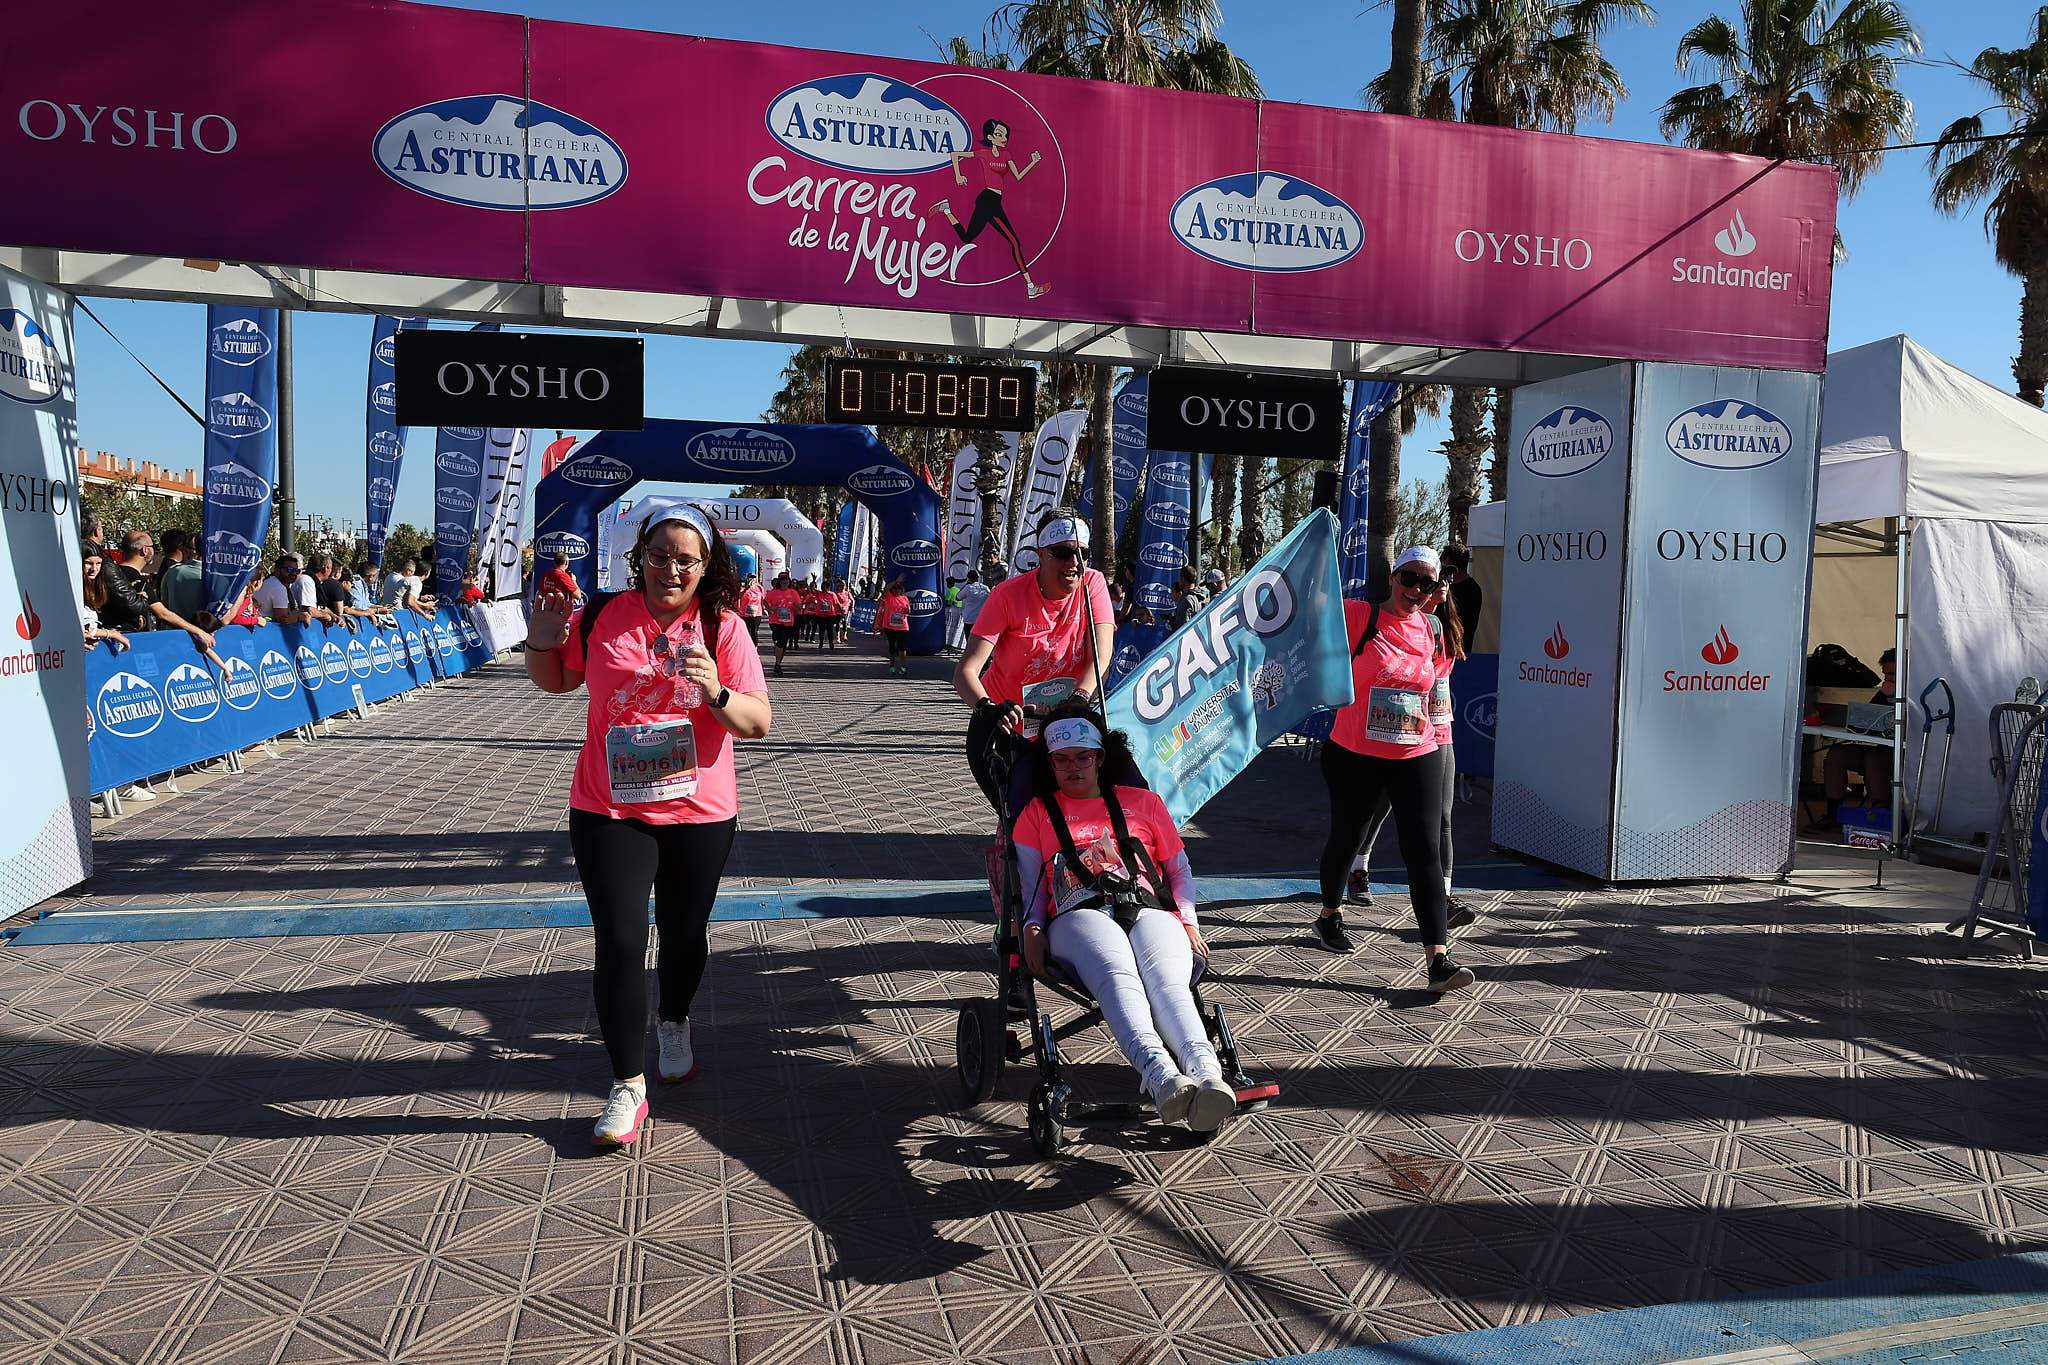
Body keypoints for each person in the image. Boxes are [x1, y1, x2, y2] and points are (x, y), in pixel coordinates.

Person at [523, 502, 772, 1149]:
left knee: (684, 937)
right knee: (622, 939)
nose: (671, 568)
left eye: (686, 558)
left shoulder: (723, 627)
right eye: (660, 555)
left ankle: (675, 1017)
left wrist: (716, 690)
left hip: (698, 811)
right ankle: (627, 1084)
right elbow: (556, 680)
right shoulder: (605, 615)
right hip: (609, 807)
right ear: (641, 557)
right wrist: (543, 638)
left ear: (704, 565)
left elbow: (758, 721)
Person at [1015, 707, 1234, 1131]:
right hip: (1078, 916)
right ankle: (1160, 1076)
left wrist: (1188, 922)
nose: (1072, 768)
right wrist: (1032, 929)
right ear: (1050, 763)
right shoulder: (1036, 814)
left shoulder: (1144, 803)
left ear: (1101, 758)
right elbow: (1029, 887)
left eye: (1083, 757)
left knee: (1168, 981)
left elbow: (1178, 871)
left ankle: (1208, 1075)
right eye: (1061, 759)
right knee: (1118, 972)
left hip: (1146, 907)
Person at [1313, 546, 1473, 995]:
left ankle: (1437, 959)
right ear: (1393, 576)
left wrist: (1442, 746)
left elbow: (1435, 692)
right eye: (1409, 578)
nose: (1416, 590)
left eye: (1427, 583)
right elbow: (1308, 612)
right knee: (1347, 837)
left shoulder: (1435, 629)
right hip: (1354, 753)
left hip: (1414, 754)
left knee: (1424, 852)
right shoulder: (1359, 615)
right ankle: (1328, 915)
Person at [953, 509, 1116, 818]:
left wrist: (1079, 698)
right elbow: (965, 672)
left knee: (1075, 821)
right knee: (1021, 822)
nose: (1074, 563)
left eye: (1082, 553)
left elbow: (1102, 655)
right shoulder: (1007, 595)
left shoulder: (1092, 583)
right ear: (1041, 553)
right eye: (1063, 552)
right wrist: (988, 708)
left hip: (1065, 728)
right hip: (1005, 730)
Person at [1344, 576, 1479, 931]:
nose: (1430, 588)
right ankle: (1357, 869)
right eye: (1418, 580)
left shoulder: (1444, 626)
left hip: (1438, 730)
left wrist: (1438, 608)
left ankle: (1443, 898)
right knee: (1376, 810)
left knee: (1442, 816)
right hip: (1396, 733)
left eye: (1434, 581)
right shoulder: (1398, 623)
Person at [933, 118, 1052, 299]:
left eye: (1005, 135)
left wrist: (1033, 162)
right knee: (1014, 242)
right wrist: (958, 175)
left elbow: (1018, 176)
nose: (1003, 138)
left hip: (993, 201)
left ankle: (946, 209)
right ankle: (1030, 287)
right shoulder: (983, 153)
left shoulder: (1006, 155)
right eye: (998, 134)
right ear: (990, 137)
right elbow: (955, 155)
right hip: (988, 200)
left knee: (966, 238)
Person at [1819, 648, 1897, 829]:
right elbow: (1869, 717)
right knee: (1837, 754)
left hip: (1908, 757)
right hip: (1884, 749)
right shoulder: (1886, 690)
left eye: (1892, 674)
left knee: (1873, 759)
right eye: (1885, 674)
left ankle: (1879, 816)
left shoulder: (1920, 691)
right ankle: (1834, 814)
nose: (1888, 679)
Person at [105, 530, 216, 652]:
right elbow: (163, 614)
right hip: (126, 645)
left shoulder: (111, 574)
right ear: (145, 550)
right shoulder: (138, 580)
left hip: (110, 643)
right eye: (154, 547)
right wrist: (199, 631)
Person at [79, 545, 132, 653]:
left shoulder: (96, 588)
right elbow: (82, 629)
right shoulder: (73, 589)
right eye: (88, 563)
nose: (94, 569)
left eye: (98, 563)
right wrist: (112, 634)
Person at [255, 552, 326, 626]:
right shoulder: (278, 587)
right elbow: (283, 619)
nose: (293, 573)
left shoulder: (276, 582)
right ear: (277, 570)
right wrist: (300, 616)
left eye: (296, 571)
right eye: (289, 569)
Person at [155, 528, 205, 626]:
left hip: (174, 632)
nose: (183, 550)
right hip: (205, 632)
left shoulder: (172, 571)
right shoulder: (172, 570)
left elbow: (165, 604)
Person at [763, 572, 802, 676]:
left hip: (788, 622)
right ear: (779, 582)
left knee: (783, 644)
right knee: (780, 641)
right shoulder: (773, 592)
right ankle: (777, 664)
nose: (785, 582)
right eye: (782, 580)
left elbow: (799, 607)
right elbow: (765, 601)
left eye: (786, 580)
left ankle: (778, 662)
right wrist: (770, 609)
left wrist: (795, 606)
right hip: (775, 621)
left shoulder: (793, 593)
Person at [1442, 544, 1481, 648]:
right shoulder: (1474, 587)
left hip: (1457, 648)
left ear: (1449, 562)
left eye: (1444, 562)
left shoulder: (1470, 589)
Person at [878, 576, 913, 676]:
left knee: (902, 647)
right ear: (893, 589)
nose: (897, 590)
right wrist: (896, 581)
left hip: (902, 626)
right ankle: (892, 666)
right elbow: (886, 588)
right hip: (890, 626)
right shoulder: (889, 596)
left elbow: (908, 610)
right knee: (892, 647)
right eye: (895, 588)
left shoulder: (905, 598)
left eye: (899, 589)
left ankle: (903, 666)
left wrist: (908, 611)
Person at [957, 570, 990, 643]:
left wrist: (966, 584)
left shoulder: (968, 587)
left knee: (969, 640)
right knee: (979, 640)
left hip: (969, 619)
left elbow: (957, 597)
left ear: (968, 578)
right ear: (978, 578)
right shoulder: (985, 588)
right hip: (981, 619)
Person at [737, 573, 766, 645]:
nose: (752, 579)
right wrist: (746, 588)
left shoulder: (759, 588)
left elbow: (762, 599)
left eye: (754, 578)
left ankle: (754, 647)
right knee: (747, 631)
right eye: (751, 578)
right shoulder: (743, 588)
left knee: (754, 630)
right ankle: (747, 645)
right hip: (745, 613)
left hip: (757, 613)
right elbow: (739, 597)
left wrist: (764, 608)